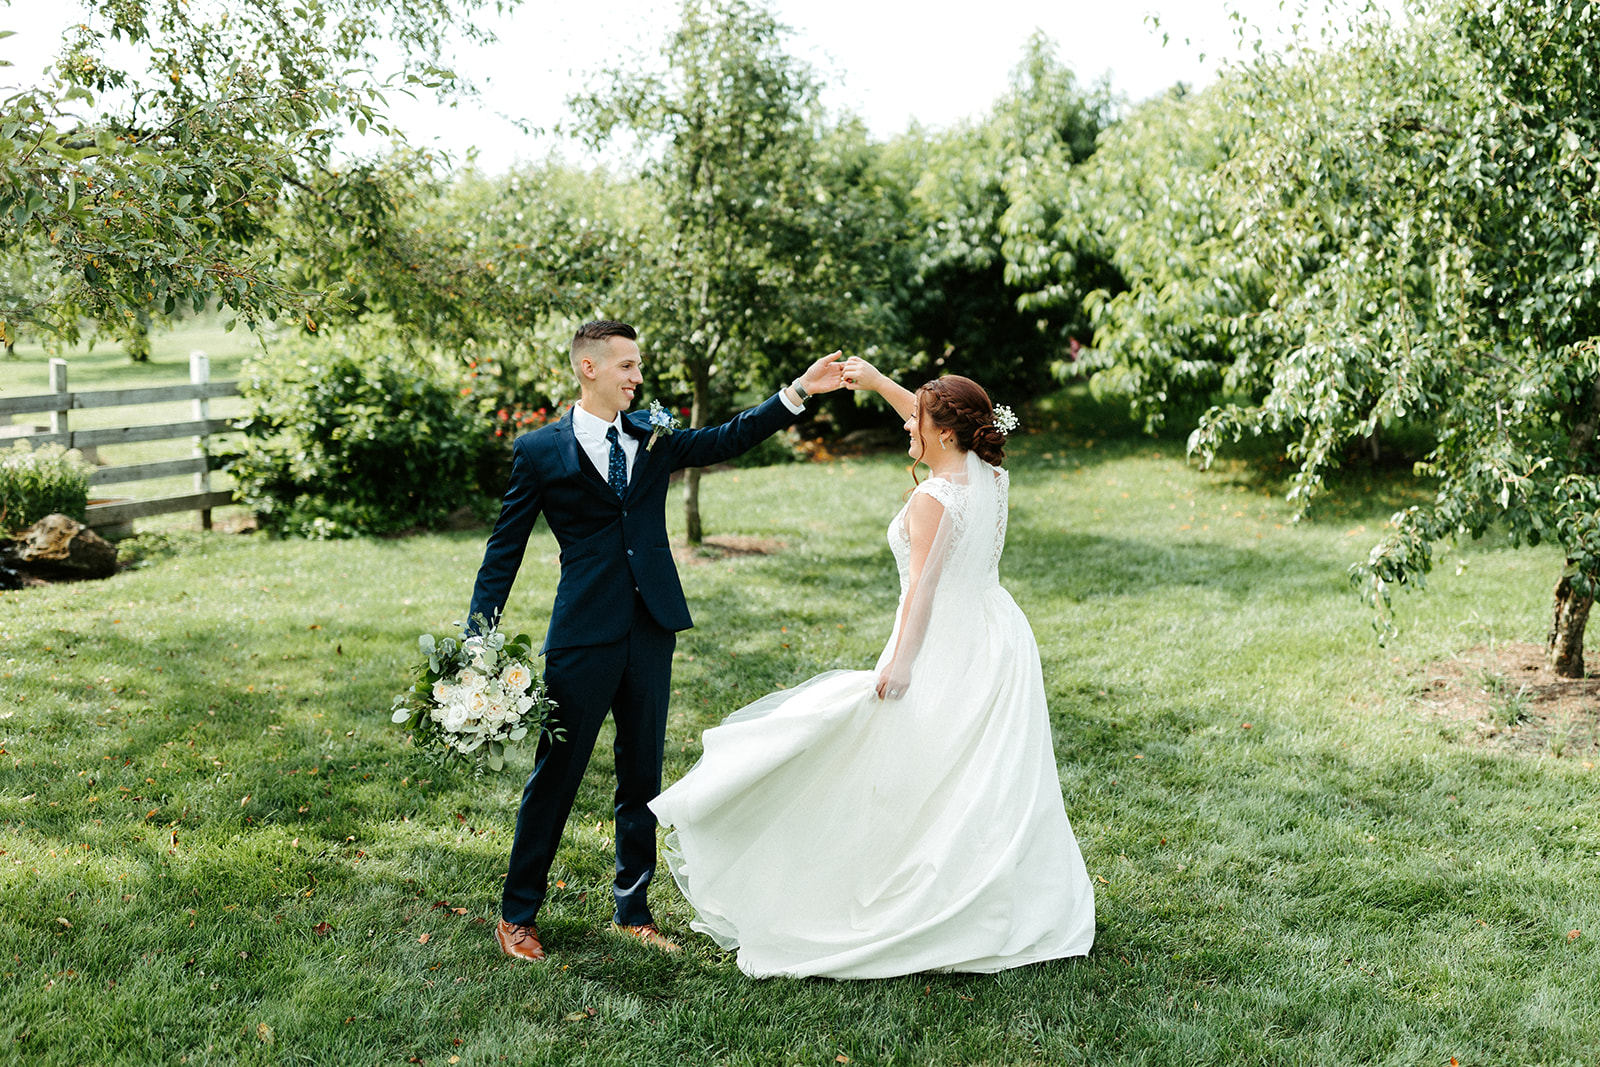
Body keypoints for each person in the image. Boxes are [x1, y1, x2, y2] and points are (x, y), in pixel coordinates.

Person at [649, 359, 1095, 979]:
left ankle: (913, 894)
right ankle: (990, 891)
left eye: (917, 418)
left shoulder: (932, 498)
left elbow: (924, 590)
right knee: (974, 770)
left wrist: (900, 662)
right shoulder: (991, 473)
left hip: (942, 638)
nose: (907, 423)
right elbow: (930, 422)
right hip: (996, 632)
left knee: (906, 759)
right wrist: (881, 383)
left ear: (941, 432)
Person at [468, 319, 845, 961]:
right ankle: (518, 914)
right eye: (626, 366)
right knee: (556, 775)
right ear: (589, 368)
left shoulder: (653, 432)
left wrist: (796, 393)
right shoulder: (539, 451)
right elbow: (503, 552)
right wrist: (478, 642)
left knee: (641, 774)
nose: (637, 377)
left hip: (651, 628)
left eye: (638, 366)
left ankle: (632, 907)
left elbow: (728, 438)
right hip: (582, 635)